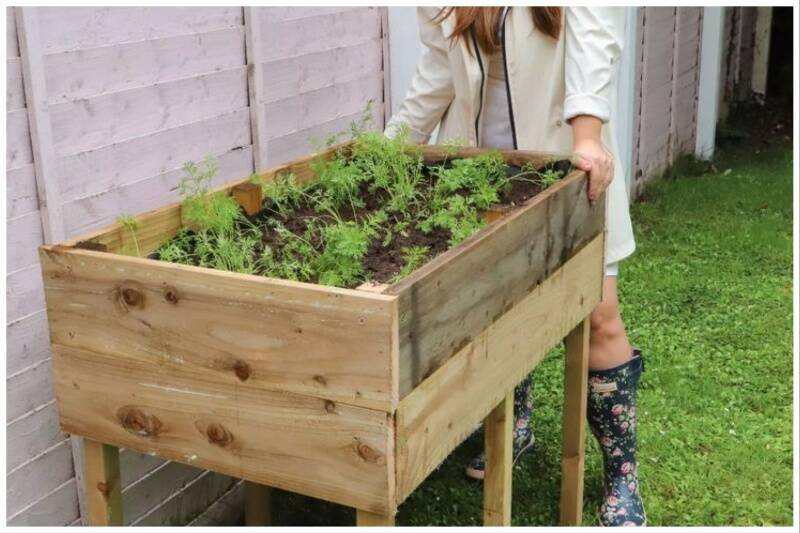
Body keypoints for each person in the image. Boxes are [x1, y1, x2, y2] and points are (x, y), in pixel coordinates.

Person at [384, 6, 645, 527]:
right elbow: (438, 68)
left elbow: (595, 38)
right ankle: (515, 424)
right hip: (481, 177)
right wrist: (392, 144)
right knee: (498, 310)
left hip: (565, 163)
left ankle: (622, 473)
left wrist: (587, 133)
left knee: (598, 318)